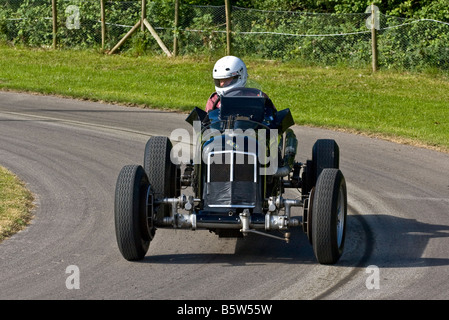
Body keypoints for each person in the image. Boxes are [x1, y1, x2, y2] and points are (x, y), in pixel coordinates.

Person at [205, 56, 275, 112]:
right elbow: (207, 123)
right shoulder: (214, 100)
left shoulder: (257, 96)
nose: (222, 83)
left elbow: (273, 120)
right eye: (220, 80)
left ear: (240, 76)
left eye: (227, 79)